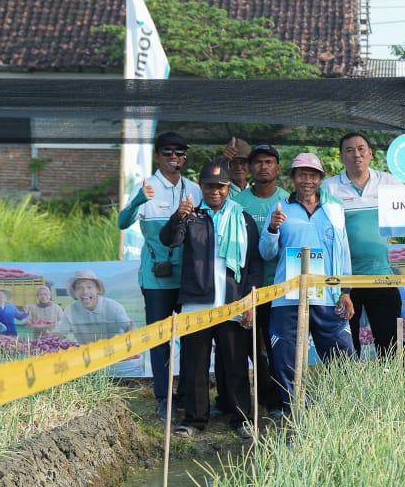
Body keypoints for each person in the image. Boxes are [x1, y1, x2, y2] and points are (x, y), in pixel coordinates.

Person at [163, 159, 262, 439]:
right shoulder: (192, 215)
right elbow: (170, 240)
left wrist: (249, 300)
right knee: (194, 365)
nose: (214, 191)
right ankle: (194, 420)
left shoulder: (242, 217)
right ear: (201, 187)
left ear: (228, 187)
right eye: (209, 186)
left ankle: (242, 419)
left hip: (233, 303)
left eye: (220, 186)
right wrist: (177, 217)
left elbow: (254, 263)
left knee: (235, 365)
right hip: (197, 302)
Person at [260, 152, 357, 416]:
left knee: (342, 356)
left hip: (327, 295)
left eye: (313, 175)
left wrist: (345, 291)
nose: (307, 180)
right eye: (302, 174)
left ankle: (342, 409)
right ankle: (296, 411)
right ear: (292, 178)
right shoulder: (280, 208)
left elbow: (344, 252)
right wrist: (272, 229)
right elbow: (266, 252)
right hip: (288, 296)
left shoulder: (334, 208)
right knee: (286, 358)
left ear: (320, 179)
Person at [117, 132, 201, 420]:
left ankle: (187, 395)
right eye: (168, 152)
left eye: (179, 152)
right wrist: (139, 199)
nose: (174, 157)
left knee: (192, 339)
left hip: (190, 279)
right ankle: (164, 398)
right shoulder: (147, 186)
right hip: (157, 279)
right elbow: (122, 222)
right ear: (157, 156)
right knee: (159, 339)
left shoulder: (194, 188)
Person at [322, 132, 402, 355]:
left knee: (390, 343)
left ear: (371, 154)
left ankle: (395, 388)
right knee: (346, 344)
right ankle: (347, 389)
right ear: (341, 156)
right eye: (349, 150)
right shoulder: (329, 188)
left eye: (361, 149)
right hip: (344, 281)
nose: (356, 154)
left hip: (381, 276)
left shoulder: (390, 183)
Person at [229, 141, 286, 414]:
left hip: (278, 288)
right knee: (240, 348)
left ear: (278, 167)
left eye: (269, 162)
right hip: (243, 288)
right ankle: (234, 404)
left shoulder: (288, 200)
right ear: (249, 168)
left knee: (275, 347)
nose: (263, 167)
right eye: (258, 162)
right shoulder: (237, 202)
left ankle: (275, 401)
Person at [56, 269, 134, 344]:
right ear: (75, 291)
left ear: (98, 289)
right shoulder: (70, 310)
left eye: (89, 287)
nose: (85, 292)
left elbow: (129, 327)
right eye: (79, 288)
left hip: (113, 354)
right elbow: (60, 332)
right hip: (86, 355)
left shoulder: (113, 307)